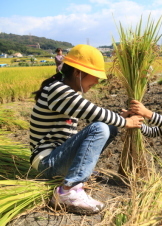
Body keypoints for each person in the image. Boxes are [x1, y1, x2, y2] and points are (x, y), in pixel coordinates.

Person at [29, 44, 144, 215]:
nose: (97, 81)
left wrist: (123, 118)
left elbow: (95, 116)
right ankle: (68, 191)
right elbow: (95, 113)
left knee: (109, 127)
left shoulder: (64, 89)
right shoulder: (58, 90)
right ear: (78, 73)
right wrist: (126, 122)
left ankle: (76, 173)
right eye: (95, 76)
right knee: (100, 128)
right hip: (47, 163)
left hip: (58, 157)